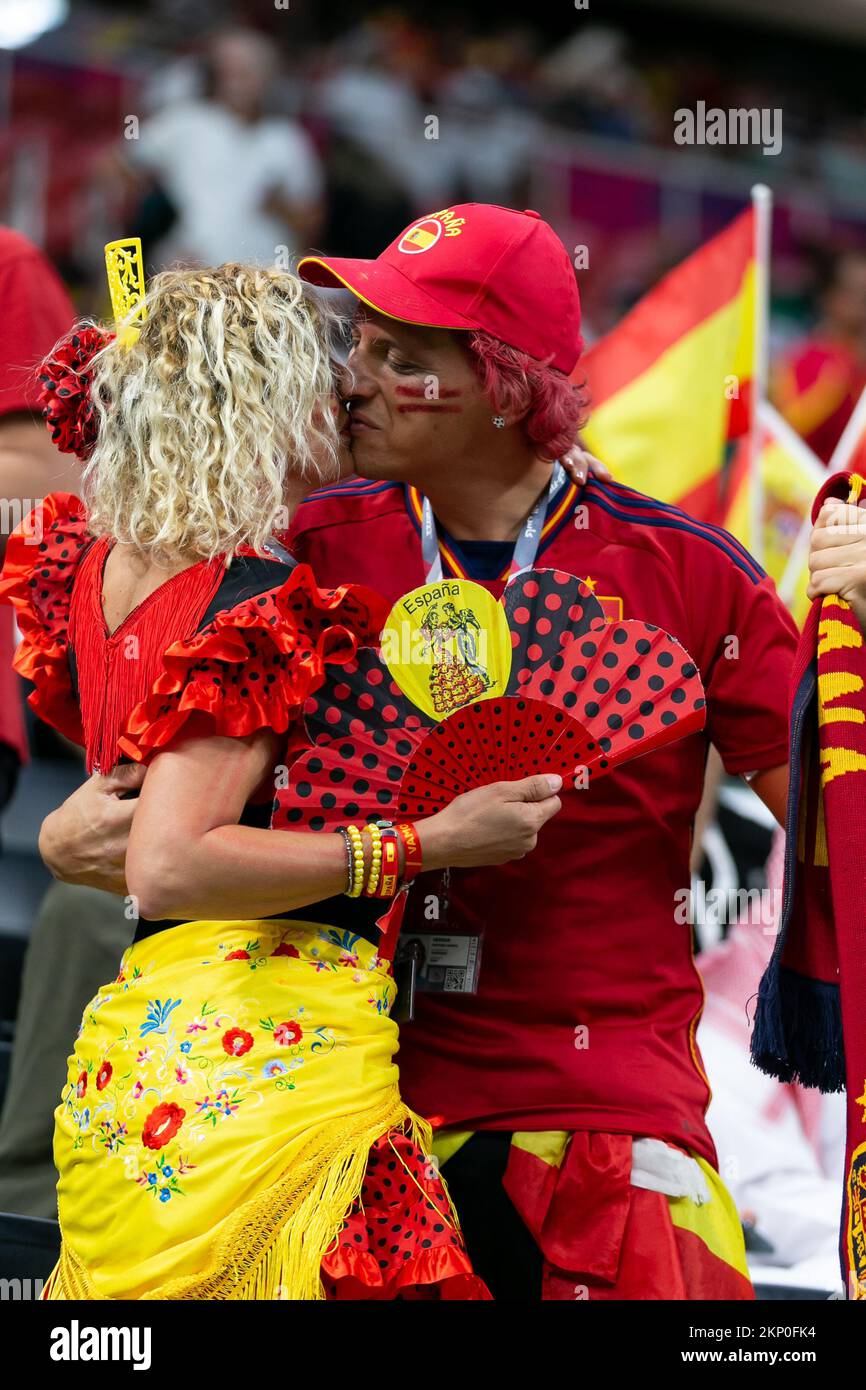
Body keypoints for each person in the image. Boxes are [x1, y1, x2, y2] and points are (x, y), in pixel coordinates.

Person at [40, 203, 799, 1300]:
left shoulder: (691, 571)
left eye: (401, 359)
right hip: (327, 1090)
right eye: (358, 344)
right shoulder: (297, 546)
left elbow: (832, 820)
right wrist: (71, 835)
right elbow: (158, 822)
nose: (351, 379)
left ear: (504, 387)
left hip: (588, 1102)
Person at [0, 259, 564, 1301]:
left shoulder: (90, 565)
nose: (350, 392)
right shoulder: (254, 599)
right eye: (324, 378)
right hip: (263, 1054)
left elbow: (124, 811)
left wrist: (66, 841)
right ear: (259, 406)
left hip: (140, 1045)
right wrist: (426, 844)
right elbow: (172, 861)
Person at [111, 27, 323, 268]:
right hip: (191, 265)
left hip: (267, 271)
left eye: (245, 72)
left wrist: (280, 208)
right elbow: (118, 165)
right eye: (227, 71)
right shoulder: (186, 121)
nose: (235, 81)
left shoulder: (287, 138)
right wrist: (149, 214)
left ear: (267, 79)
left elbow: (312, 222)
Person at [773, 250, 866, 465]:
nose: (863, 305)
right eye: (857, 294)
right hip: (814, 479)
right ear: (830, 297)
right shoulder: (811, 361)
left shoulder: (856, 363)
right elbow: (787, 433)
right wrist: (836, 382)